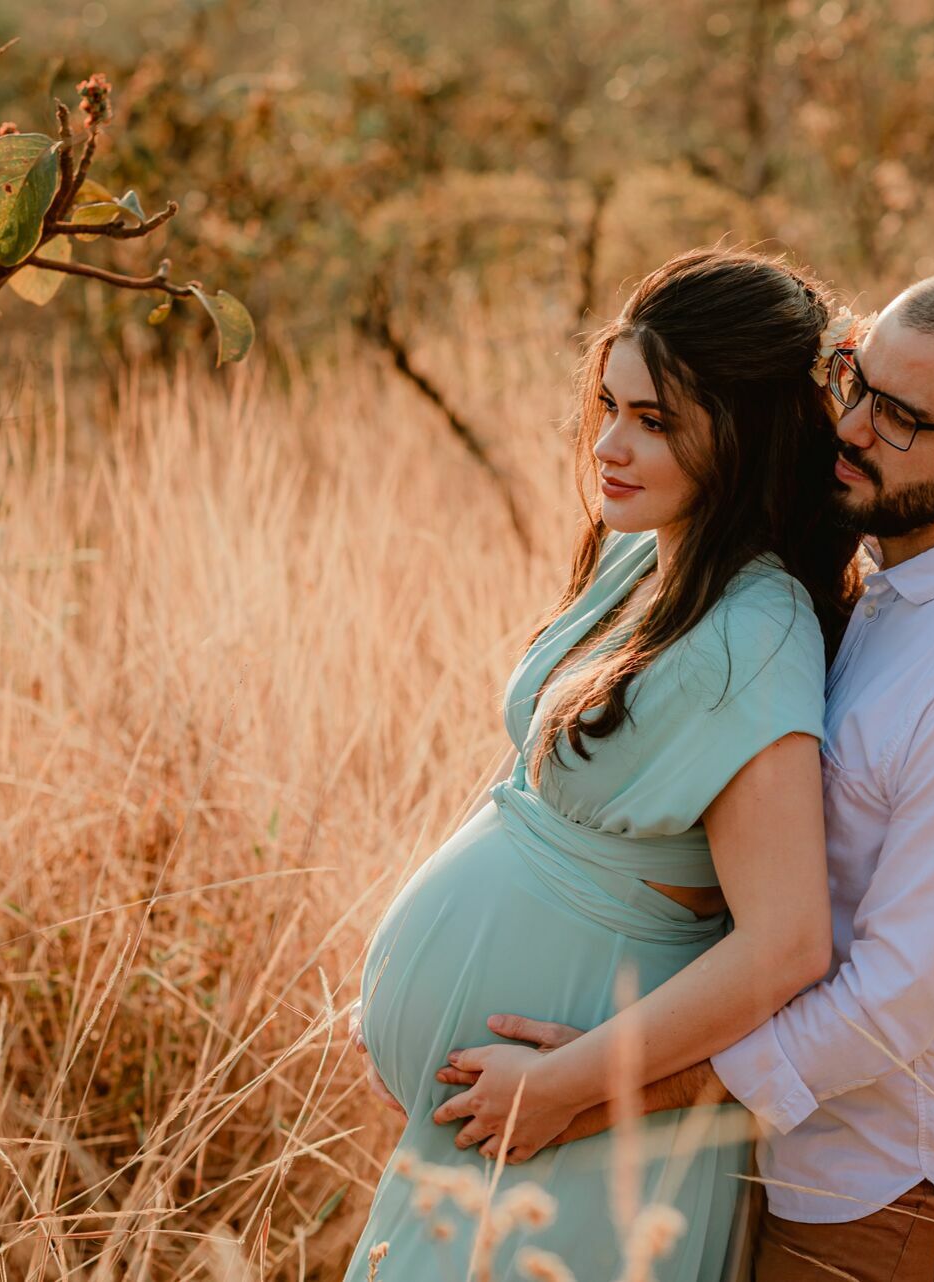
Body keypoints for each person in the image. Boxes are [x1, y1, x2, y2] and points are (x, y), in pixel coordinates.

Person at [438, 268, 934, 1282]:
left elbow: (886, 1007)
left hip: (873, 1187)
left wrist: (592, 1091)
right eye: (857, 383)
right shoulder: (883, 579)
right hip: (772, 1154)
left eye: (902, 418)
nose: (853, 428)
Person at [340, 246, 863, 1282]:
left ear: (747, 435)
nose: (610, 446)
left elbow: (787, 943)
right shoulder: (645, 552)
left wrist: (567, 1083)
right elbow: (533, 775)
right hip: (498, 1122)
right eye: (610, 406)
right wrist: (399, 988)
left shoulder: (757, 631)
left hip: (575, 1129)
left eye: (655, 421)